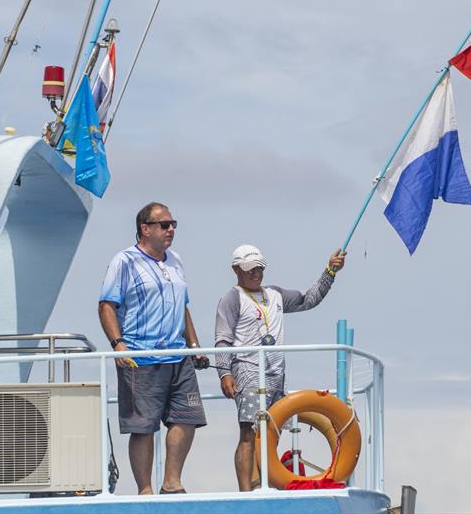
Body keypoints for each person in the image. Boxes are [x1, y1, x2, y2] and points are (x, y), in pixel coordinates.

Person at [214, 244, 347, 491]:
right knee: (248, 431)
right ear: (236, 269)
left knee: (270, 432)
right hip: (248, 369)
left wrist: (330, 272)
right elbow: (222, 338)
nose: (256, 273)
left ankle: (264, 483)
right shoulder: (232, 298)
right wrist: (225, 373)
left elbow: (309, 299)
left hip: (276, 372)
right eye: (250, 269)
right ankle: (246, 490)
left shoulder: (274, 294)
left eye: (259, 268)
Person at [98, 202, 207, 495]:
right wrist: (118, 345)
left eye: (173, 224)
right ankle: (145, 490)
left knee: (187, 418)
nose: (171, 229)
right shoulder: (124, 261)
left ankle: (172, 483)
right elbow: (107, 305)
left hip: (178, 355)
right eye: (164, 224)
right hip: (140, 357)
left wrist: (194, 345)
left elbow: (183, 307)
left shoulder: (176, 261)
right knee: (143, 426)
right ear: (145, 229)